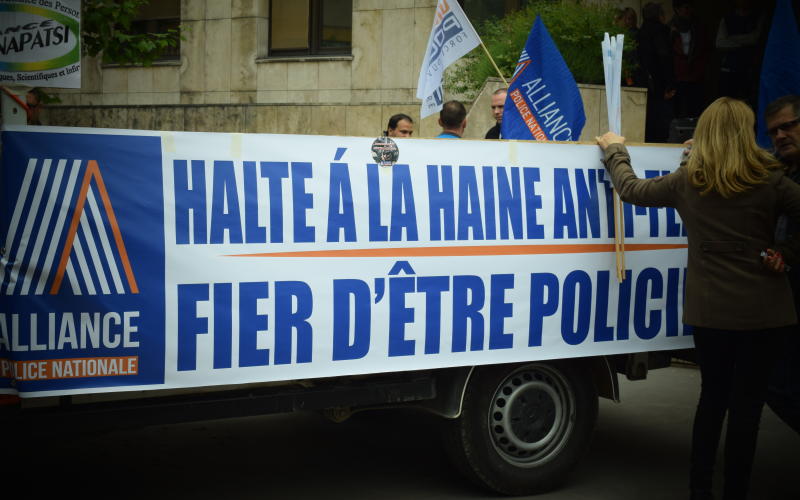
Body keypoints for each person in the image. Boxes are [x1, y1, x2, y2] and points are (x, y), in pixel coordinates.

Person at [596, 97, 800, 500]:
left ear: (703, 134)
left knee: (712, 402)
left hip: (711, 312)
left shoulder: (688, 181)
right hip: (765, 313)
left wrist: (615, 150)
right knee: (747, 411)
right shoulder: (771, 179)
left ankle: (699, 488)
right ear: (747, 133)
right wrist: (787, 253)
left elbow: (631, 189)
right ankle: (736, 491)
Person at [765, 95, 800, 434]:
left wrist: (787, 254)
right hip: (782, 298)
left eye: (787, 127)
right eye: (774, 131)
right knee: (776, 384)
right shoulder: (775, 168)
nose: (780, 136)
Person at [637, 2, 676, 142]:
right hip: (659, 84)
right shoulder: (661, 32)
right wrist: (670, 84)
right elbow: (664, 58)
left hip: (643, 83)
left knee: (647, 123)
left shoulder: (640, 33)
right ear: (660, 15)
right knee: (660, 124)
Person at [669, 0, 709, 118]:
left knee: (694, 105)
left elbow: (704, 48)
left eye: (690, 8)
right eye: (685, 8)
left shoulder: (697, 27)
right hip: (677, 73)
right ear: (677, 9)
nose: (688, 11)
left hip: (694, 73)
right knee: (678, 107)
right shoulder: (670, 27)